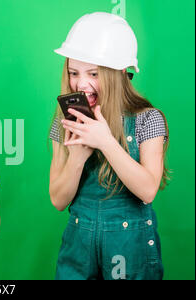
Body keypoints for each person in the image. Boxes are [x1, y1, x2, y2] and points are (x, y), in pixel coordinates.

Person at [49, 12, 169, 280]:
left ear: (118, 73)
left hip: (130, 251)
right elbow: (58, 200)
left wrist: (105, 142)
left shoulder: (148, 119)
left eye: (94, 73)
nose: (81, 84)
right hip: (78, 248)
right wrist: (77, 158)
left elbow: (148, 190)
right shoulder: (64, 122)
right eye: (73, 73)